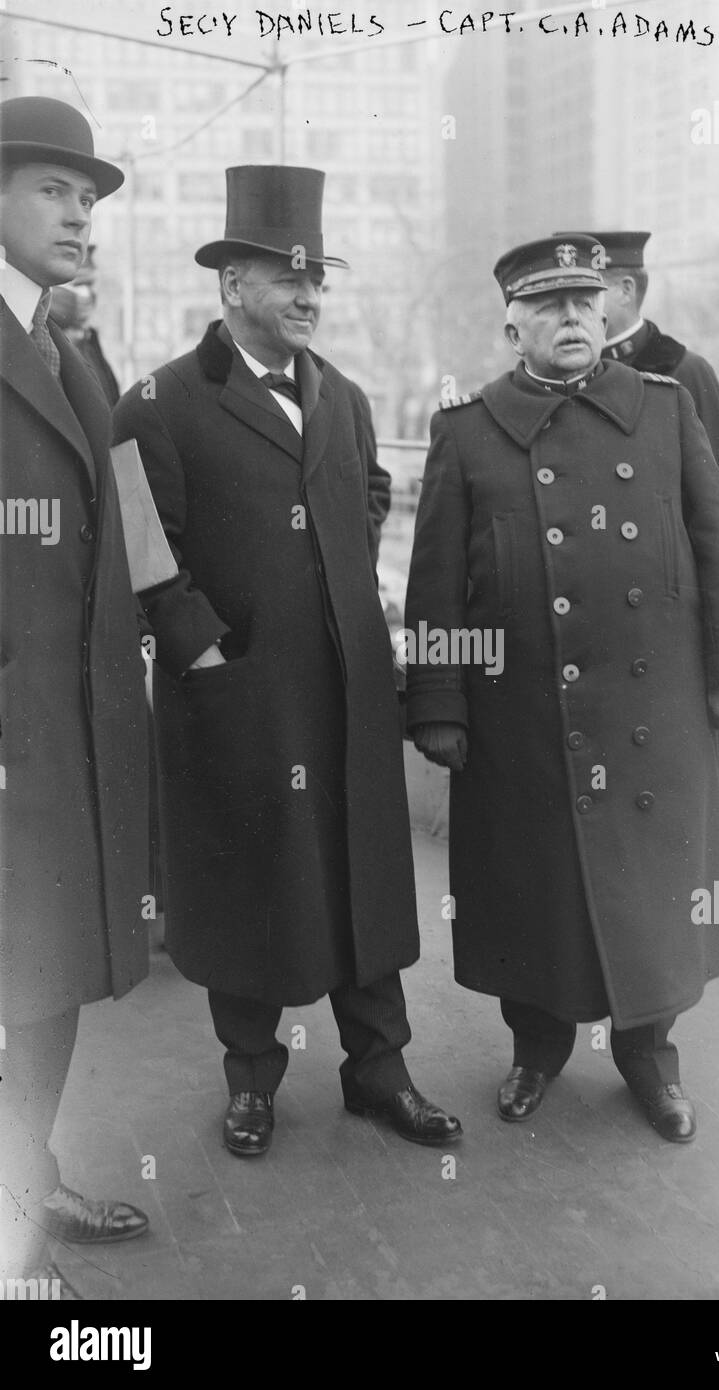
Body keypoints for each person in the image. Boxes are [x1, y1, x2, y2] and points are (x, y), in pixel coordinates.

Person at [113, 165, 460, 1158]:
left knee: (361, 879)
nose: (309, 296)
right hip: (236, 697)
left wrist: (345, 587)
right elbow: (143, 550)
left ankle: (379, 1071)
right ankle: (252, 1081)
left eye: (318, 279)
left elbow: (374, 489)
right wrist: (210, 659)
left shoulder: (342, 396)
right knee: (247, 879)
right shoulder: (159, 402)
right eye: (286, 277)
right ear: (231, 286)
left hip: (345, 693)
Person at [404, 235, 719, 1144]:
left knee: (653, 896)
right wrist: (441, 705)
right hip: (523, 716)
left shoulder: (664, 407)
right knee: (537, 894)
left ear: (608, 312)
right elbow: (437, 584)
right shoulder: (468, 430)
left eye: (584, 301)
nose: (571, 317)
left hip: (655, 714)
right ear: (511, 325)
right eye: (548, 306)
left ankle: (651, 1058)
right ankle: (537, 1050)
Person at [0, 96, 150, 1298]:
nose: (82, 217)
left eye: (90, 200)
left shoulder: (65, 347)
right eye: (56, 189)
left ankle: (27, 1180)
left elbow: (131, 528)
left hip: (73, 740)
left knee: (43, 990)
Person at [554, 228, 719, 778]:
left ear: (629, 290)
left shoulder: (683, 373)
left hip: (668, 627)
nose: (575, 313)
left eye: (590, 295)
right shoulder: (560, 376)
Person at [49, 244, 120, 407]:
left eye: (89, 286)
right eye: (78, 286)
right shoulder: (38, 339)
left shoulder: (89, 341)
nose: (87, 295)